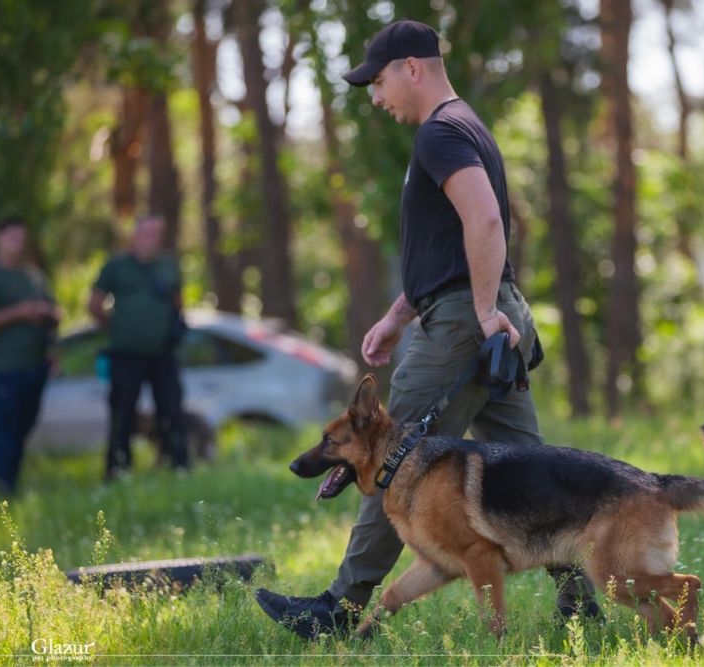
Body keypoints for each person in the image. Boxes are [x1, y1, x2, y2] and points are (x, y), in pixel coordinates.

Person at [255, 19, 599, 640]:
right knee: (533, 468)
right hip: (486, 315)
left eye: (379, 81)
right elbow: (448, 247)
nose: (376, 97)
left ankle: (341, 607)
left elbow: (486, 222)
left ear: (413, 67)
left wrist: (484, 308)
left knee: (388, 456)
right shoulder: (464, 126)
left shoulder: (440, 133)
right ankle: (580, 602)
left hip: (470, 320)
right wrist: (397, 314)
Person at [88, 215, 189, 480]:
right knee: (122, 412)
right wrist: (116, 326)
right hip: (126, 354)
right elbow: (95, 304)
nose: (151, 239)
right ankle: (118, 468)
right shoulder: (117, 266)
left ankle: (177, 464)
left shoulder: (168, 265)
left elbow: (178, 303)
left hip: (163, 354)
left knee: (172, 409)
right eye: (146, 234)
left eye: (157, 234)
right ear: (134, 236)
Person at [0, 217, 60, 493]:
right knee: (4, 433)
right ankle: (1, 492)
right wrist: (19, 312)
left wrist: (45, 314)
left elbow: (56, 314)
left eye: (21, 238)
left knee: (22, 429)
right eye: (12, 238)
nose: (17, 244)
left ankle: (11, 487)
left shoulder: (34, 276)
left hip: (35, 366)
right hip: (4, 369)